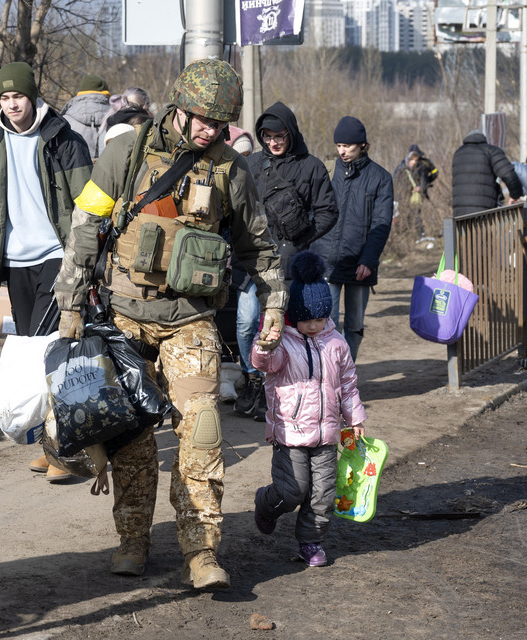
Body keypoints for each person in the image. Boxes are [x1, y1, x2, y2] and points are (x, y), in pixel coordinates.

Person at [53, 58, 287, 588]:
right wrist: (70, 302)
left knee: (202, 432)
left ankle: (202, 552)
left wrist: (274, 305)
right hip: (125, 320)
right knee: (132, 441)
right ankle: (132, 540)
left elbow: (260, 247)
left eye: (221, 123)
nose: (211, 130)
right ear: (179, 108)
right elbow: (86, 225)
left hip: (192, 320)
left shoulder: (231, 168)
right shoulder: (124, 152)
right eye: (203, 119)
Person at [0, 61, 92, 482]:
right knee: (34, 349)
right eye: (5, 98)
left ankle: (62, 449)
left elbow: (88, 204)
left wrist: (87, 262)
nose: (12, 104)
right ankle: (53, 441)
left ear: (33, 97)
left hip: (58, 256)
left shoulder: (63, 139)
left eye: (18, 96)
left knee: (53, 348)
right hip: (14, 262)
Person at [250, 251, 367, 567]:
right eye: (306, 320)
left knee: (323, 495)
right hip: (290, 432)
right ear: (293, 316)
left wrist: (355, 417)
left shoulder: (337, 343)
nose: (314, 326)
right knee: (293, 491)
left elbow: (348, 384)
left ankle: (311, 543)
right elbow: (263, 362)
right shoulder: (284, 342)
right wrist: (265, 343)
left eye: (319, 319)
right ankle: (266, 503)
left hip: (326, 434)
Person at [235, 101, 338, 420]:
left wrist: (302, 236)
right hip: (256, 259)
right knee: (246, 319)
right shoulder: (252, 166)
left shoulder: (312, 166)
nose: (273, 142)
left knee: (288, 325)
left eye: (279, 135)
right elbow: (237, 207)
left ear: (291, 133)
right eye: (267, 136)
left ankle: (277, 386)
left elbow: (328, 211)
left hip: (294, 260)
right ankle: (252, 377)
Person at [310, 116, 393, 363]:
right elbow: (312, 212)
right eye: (338, 146)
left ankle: (347, 373)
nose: (342, 151)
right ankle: (329, 378)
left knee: (355, 325)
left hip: (360, 264)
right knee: (326, 324)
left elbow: (381, 224)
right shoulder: (326, 171)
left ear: (363, 145)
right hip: (325, 261)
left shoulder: (381, 178)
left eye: (348, 146)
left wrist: (368, 260)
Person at [451, 129, 523, 217]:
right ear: (483, 139)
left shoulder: (458, 154)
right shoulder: (491, 151)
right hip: (484, 212)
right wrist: (515, 195)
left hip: (460, 214)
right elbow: (508, 174)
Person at [60, 74, 112, 160]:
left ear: (80, 94)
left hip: (75, 172)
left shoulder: (65, 121)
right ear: (107, 94)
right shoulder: (119, 119)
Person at [393, 144, 438, 236]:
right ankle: (403, 234)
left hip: (415, 195)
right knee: (404, 215)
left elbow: (429, 176)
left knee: (415, 213)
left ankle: (419, 234)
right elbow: (395, 181)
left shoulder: (421, 166)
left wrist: (422, 187)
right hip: (402, 196)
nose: (414, 162)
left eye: (415, 160)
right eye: (412, 160)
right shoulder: (401, 168)